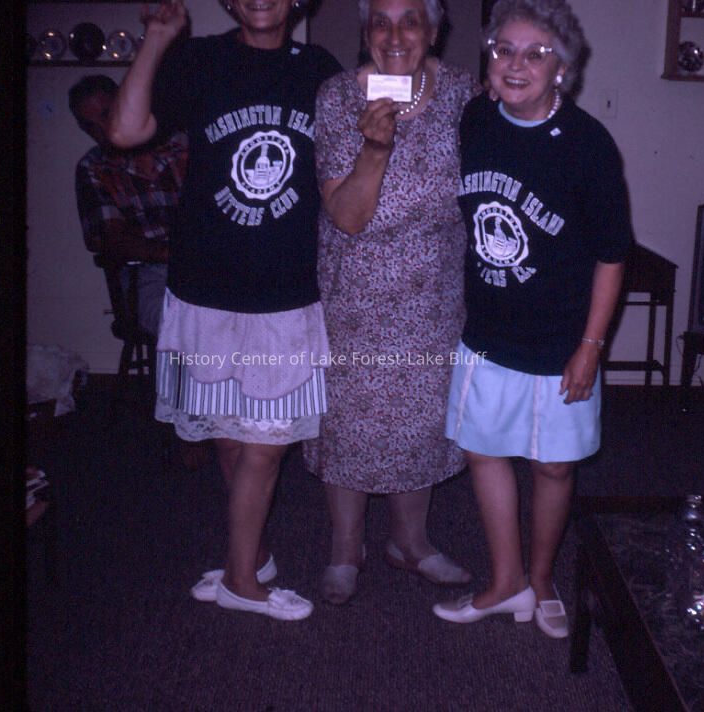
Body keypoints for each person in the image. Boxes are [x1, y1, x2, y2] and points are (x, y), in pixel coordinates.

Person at [107, 0, 341, 621]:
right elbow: (125, 131)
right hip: (204, 288)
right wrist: (158, 37)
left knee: (265, 444)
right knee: (229, 440)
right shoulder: (198, 59)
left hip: (285, 294)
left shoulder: (319, 68)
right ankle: (248, 568)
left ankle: (241, 575)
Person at [432, 0, 631, 638]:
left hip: (561, 341)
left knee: (553, 466)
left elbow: (612, 255)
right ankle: (505, 580)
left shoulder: (587, 146)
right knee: (484, 452)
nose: (516, 65)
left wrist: (591, 346)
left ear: (562, 68)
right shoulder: (475, 121)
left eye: (536, 54)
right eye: (504, 50)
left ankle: (541, 578)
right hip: (488, 334)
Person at [303, 0, 481, 605]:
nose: (396, 34)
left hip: (434, 294)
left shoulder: (463, 94)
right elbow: (348, 217)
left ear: (434, 29)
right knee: (349, 424)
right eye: (381, 20)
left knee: (420, 422)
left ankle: (411, 542)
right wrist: (374, 150)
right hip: (355, 293)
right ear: (366, 31)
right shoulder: (336, 97)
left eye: (412, 20)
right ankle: (344, 550)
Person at [70, 75, 187, 336]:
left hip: (209, 263)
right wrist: (172, 254)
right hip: (146, 272)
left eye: (107, 114)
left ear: (127, 102)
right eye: (90, 126)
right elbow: (112, 239)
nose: (103, 130)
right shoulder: (94, 168)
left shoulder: (185, 144)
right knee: (177, 323)